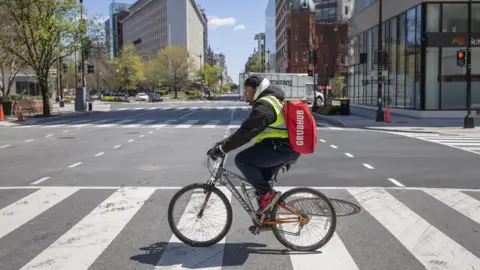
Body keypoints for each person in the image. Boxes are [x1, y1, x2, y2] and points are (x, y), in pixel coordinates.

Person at [207, 75, 301, 219]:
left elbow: (247, 132)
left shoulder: (265, 105)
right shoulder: (269, 101)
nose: (245, 93)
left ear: (257, 89)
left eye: (247, 89)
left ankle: (268, 196)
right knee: (259, 186)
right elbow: (245, 129)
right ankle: (266, 219)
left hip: (280, 148)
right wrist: (223, 144)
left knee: (242, 160)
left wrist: (222, 149)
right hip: (280, 148)